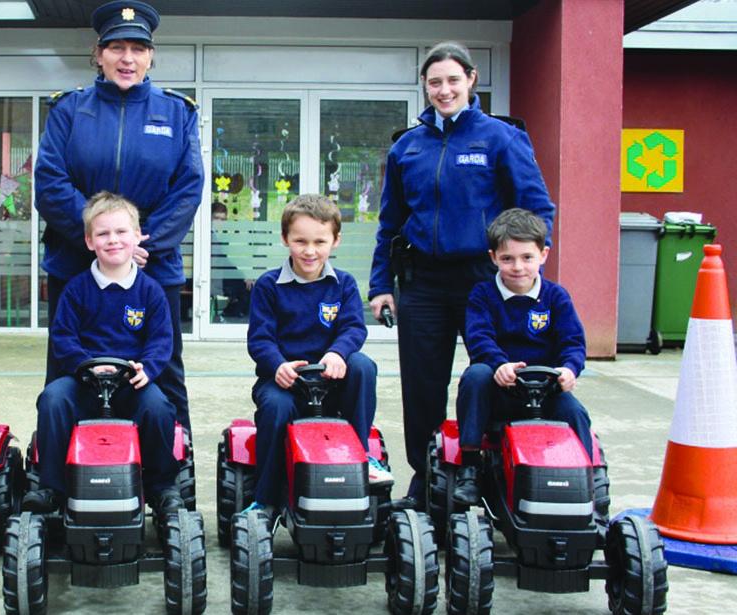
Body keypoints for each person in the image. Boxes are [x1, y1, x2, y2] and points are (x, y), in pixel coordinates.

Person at [367, 41, 556, 505]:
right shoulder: (407, 147)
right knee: (422, 388)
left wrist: (525, 271)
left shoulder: (500, 138)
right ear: (424, 86)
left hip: (484, 281)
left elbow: (536, 209)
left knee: (492, 377)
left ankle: (488, 476)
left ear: (471, 79)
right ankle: (426, 480)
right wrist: (381, 285)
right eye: (435, 82)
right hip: (422, 283)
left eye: (453, 79)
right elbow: (389, 223)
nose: (444, 90)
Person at [34, 0, 204, 433]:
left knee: (163, 372)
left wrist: (138, 244)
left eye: (138, 48)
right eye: (116, 47)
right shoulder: (69, 110)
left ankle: (172, 466)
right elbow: (50, 182)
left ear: (150, 56)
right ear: (99, 53)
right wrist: (101, 239)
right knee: (67, 371)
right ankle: (62, 463)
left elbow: (188, 186)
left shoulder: (178, 112)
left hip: (153, 261)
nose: (127, 58)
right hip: (75, 260)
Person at [22, 192, 182, 519]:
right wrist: (84, 366)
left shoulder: (150, 291)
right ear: (89, 241)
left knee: (159, 407)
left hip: (131, 384)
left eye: (121, 232)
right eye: (103, 233)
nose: (113, 240)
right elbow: (63, 337)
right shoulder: (76, 290)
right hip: (84, 382)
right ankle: (52, 487)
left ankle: (161, 487)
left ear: (137, 237)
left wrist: (147, 368)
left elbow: (161, 339)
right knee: (53, 399)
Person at [243, 195, 393, 517]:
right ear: (285, 239)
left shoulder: (344, 284)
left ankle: (361, 454)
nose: (310, 251)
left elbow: (353, 328)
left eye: (319, 242)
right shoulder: (269, 285)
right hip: (284, 382)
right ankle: (266, 498)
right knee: (276, 407)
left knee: (362, 365)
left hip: (331, 379)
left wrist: (337, 353)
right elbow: (260, 339)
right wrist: (278, 365)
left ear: (335, 241)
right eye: (300, 241)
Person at [452, 209, 588, 505]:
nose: (518, 267)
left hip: (546, 391)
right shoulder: (483, 295)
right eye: (507, 259)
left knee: (575, 412)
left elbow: (573, 342)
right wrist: (499, 364)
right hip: (500, 391)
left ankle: (590, 485)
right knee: (476, 376)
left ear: (543, 254)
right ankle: (470, 468)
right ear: (493, 258)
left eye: (527, 257)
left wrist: (569, 369)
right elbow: (479, 337)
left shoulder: (556, 297)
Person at [211, 201, 252, 319]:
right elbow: (220, 261)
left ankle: (231, 312)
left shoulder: (215, 235)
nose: (220, 222)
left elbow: (224, 260)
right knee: (247, 288)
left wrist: (242, 275)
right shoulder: (207, 236)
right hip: (213, 277)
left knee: (247, 286)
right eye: (216, 218)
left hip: (219, 274)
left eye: (223, 219)